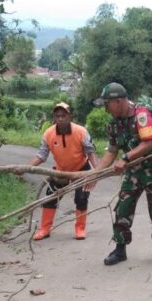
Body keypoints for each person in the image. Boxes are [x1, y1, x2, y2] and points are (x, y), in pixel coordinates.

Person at [93, 82, 152, 266]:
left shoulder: (142, 114)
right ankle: (120, 249)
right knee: (123, 208)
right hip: (134, 173)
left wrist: (125, 158)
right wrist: (95, 174)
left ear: (118, 101)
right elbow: (111, 152)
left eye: (107, 104)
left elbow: (149, 143)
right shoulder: (114, 124)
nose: (106, 109)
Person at [23, 102, 100, 240]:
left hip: (81, 170)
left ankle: (80, 229)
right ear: (54, 117)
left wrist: (97, 172)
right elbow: (41, 156)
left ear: (69, 117)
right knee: (50, 198)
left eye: (63, 116)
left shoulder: (81, 132)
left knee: (81, 198)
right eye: (57, 116)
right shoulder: (48, 134)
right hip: (60, 172)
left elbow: (90, 152)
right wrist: (25, 168)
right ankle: (45, 229)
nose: (60, 119)